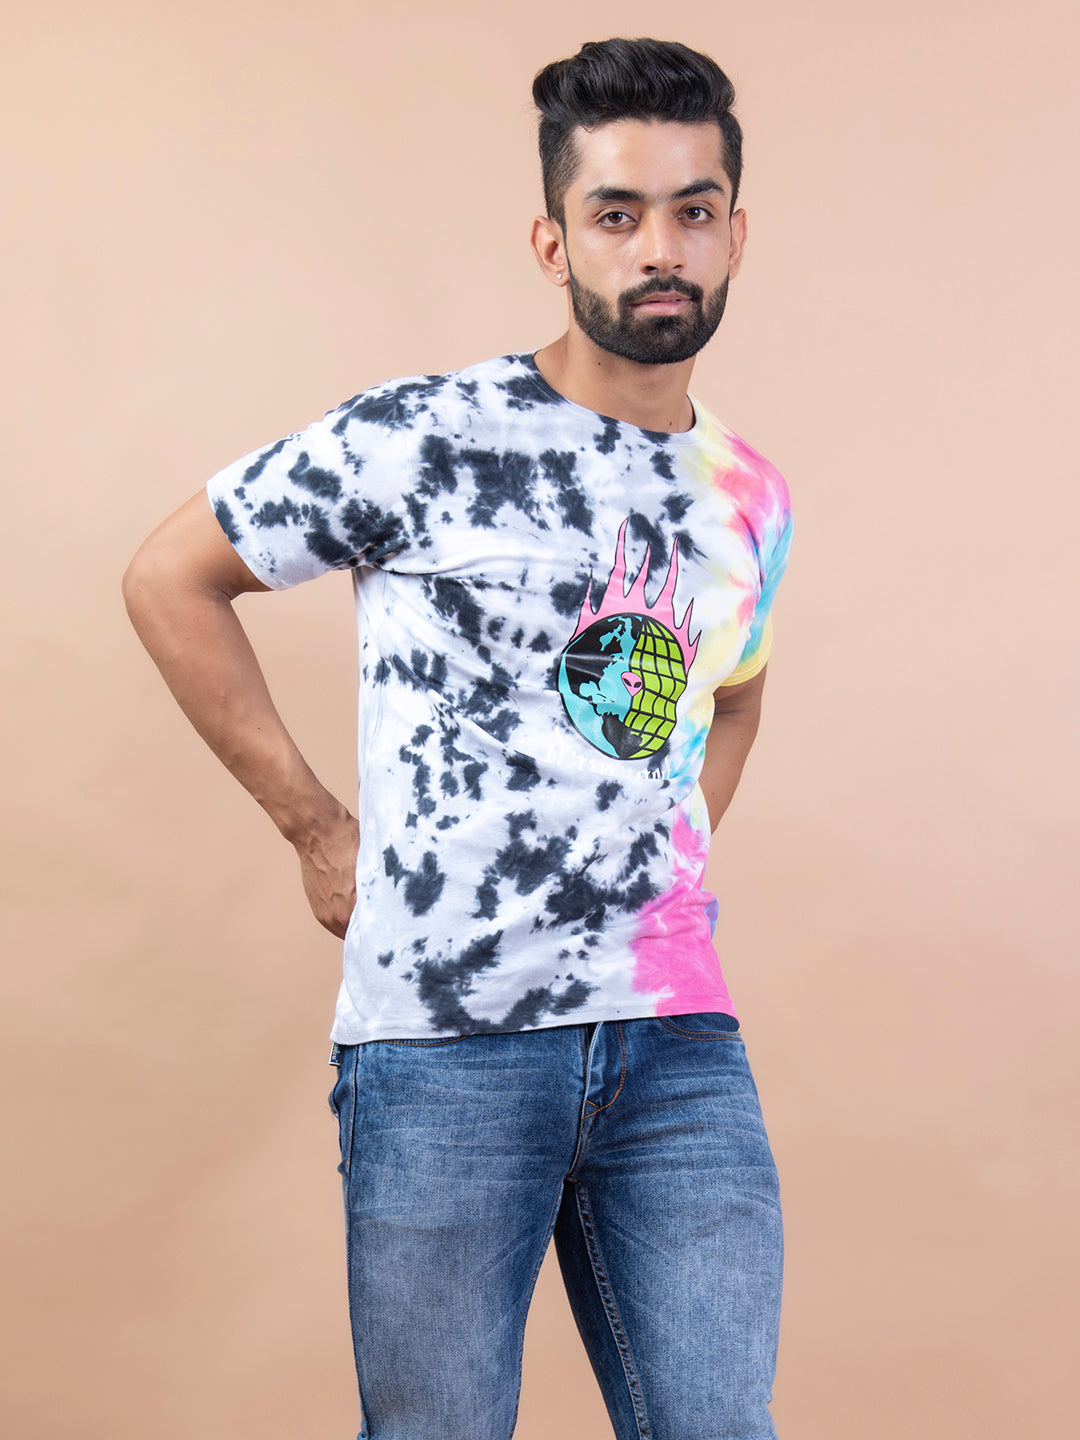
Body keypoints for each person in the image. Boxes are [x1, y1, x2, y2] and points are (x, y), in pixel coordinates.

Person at [123, 36, 793, 1440]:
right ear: (555, 243)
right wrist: (316, 829)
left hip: (676, 1044)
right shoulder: (425, 436)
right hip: (447, 1045)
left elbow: (731, 692)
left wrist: (666, 847)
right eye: (617, 213)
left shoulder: (747, 491)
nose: (659, 248)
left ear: (736, 233)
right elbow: (170, 577)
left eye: (693, 210)